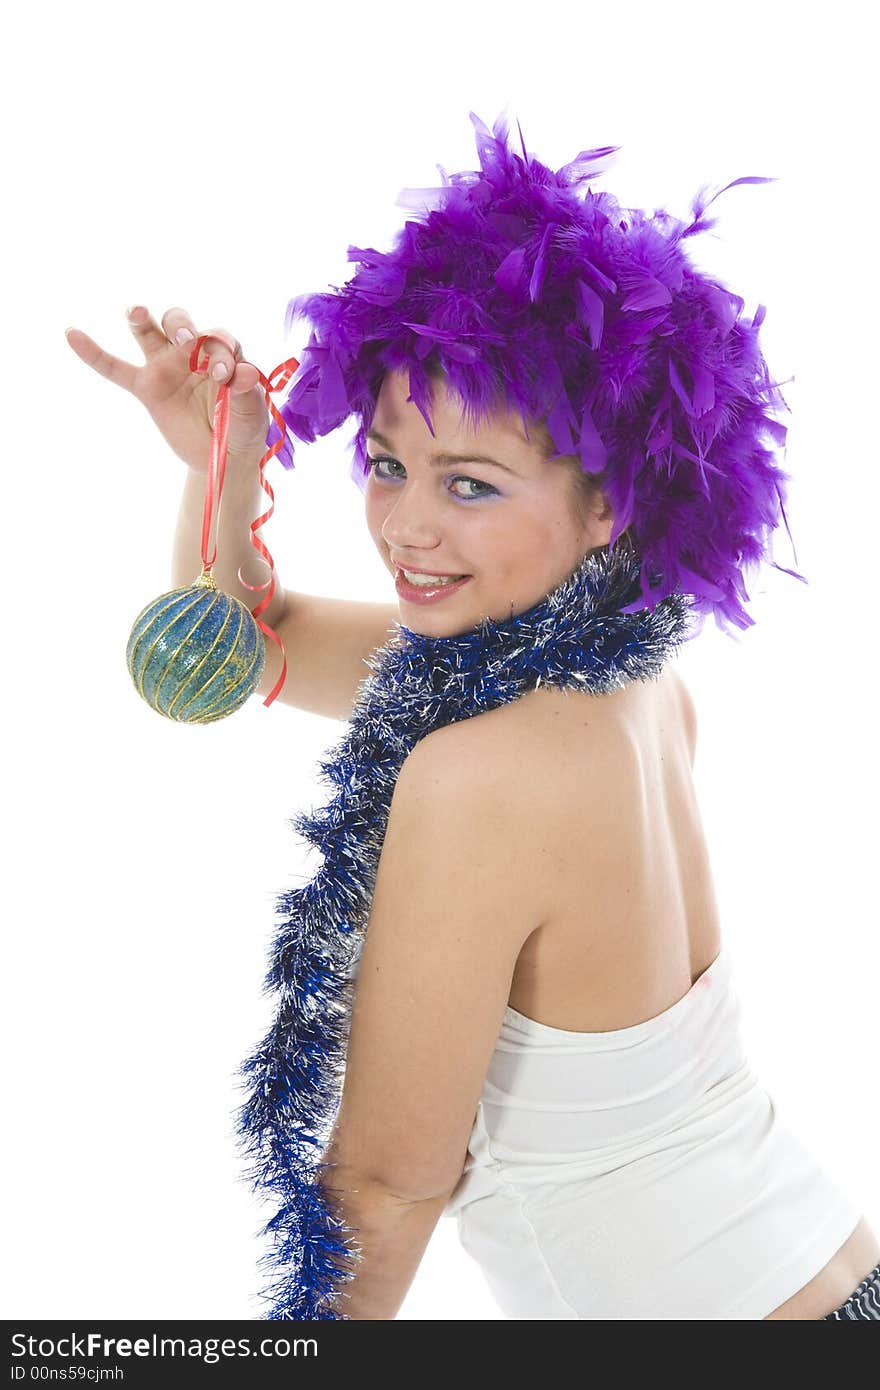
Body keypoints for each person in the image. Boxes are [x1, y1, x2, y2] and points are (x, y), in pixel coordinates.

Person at [66, 110, 880, 1320]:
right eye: (387, 465)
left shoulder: (486, 773)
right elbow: (252, 641)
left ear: (609, 504)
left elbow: (388, 1185)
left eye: (473, 485)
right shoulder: (615, 685)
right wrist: (226, 464)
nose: (405, 528)